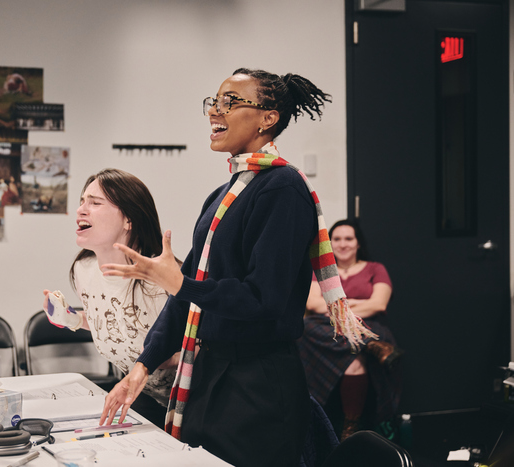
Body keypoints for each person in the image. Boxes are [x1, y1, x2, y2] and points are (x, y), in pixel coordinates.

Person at [97, 69, 374, 467]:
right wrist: (141, 368)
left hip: (257, 385)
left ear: (268, 118)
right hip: (212, 375)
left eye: (231, 101)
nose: (216, 110)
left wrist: (182, 285)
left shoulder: (282, 188)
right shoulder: (226, 192)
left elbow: (264, 298)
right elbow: (186, 295)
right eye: (214, 101)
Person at [42, 169, 176, 429]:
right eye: (82, 201)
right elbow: (112, 321)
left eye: (95, 203)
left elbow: (205, 349)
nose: (81, 210)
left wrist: (159, 357)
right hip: (142, 394)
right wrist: (69, 318)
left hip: (190, 400)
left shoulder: (161, 279)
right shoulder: (85, 269)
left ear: (129, 219)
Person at [299, 219, 402, 440]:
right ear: (329, 244)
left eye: (348, 238)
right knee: (307, 326)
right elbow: (314, 305)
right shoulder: (320, 270)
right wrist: (355, 304)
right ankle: (372, 346)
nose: (343, 244)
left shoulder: (376, 269)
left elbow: (378, 304)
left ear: (358, 243)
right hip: (325, 331)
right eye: (336, 239)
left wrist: (337, 305)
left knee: (355, 357)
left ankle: (349, 428)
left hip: (368, 325)